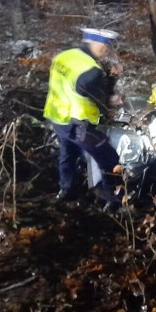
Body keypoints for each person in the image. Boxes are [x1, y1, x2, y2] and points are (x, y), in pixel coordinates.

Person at [43, 27, 124, 210]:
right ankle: (115, 203)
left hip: (58, 118)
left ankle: (66, 191)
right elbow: (103, 102)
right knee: (110, 158)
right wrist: (112, 81)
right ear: (93, 42)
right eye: (104, 45)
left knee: (68, 153)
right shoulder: (92, 71)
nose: (105, 49)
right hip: (79, 126)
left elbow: (73, 84)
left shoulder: (64, 56)